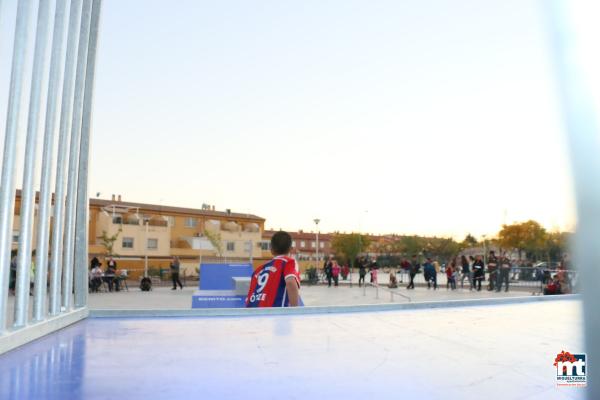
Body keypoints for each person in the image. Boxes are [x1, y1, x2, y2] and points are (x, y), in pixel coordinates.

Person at [246, 231, 301, 307]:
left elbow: (249, 298)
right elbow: (291, 282)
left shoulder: (257, 270)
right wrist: (296, 311)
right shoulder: (289, 262)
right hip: (276, 315)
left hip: (254, 316)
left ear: (271, 250)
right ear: (291, 249)